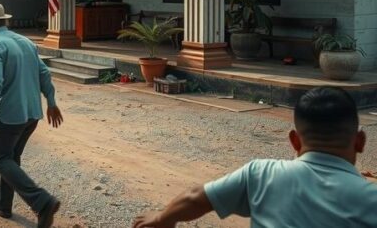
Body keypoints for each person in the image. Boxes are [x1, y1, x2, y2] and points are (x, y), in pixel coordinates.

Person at [133, 86, 377, 228]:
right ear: (360, 142)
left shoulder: (262, 173)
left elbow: (197, 198)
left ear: (294, 140)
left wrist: (161, 218)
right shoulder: (371, 200)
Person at [0, 2, 63, 228]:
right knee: (10, 158)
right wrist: (51, 102)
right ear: (5, 21)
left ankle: (41, 201)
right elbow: (44, 73)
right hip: (32, 113)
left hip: (9, 114)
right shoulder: (26, 42)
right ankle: (2, 203)